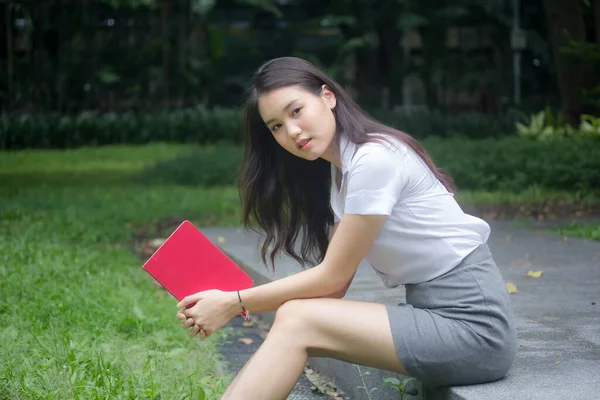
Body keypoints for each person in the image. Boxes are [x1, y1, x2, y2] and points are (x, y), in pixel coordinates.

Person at [176, 57, 517, 399]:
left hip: (474, 328)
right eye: (276, 126)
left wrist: (234, 302)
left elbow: (332, 278)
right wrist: (226, 297)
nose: (291, 131)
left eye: (296, 111)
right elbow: (333, 288)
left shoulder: (375, 161)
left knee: (298, 319)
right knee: (297, 316)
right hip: (437, 315)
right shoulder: (346, 171)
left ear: (328, 96)